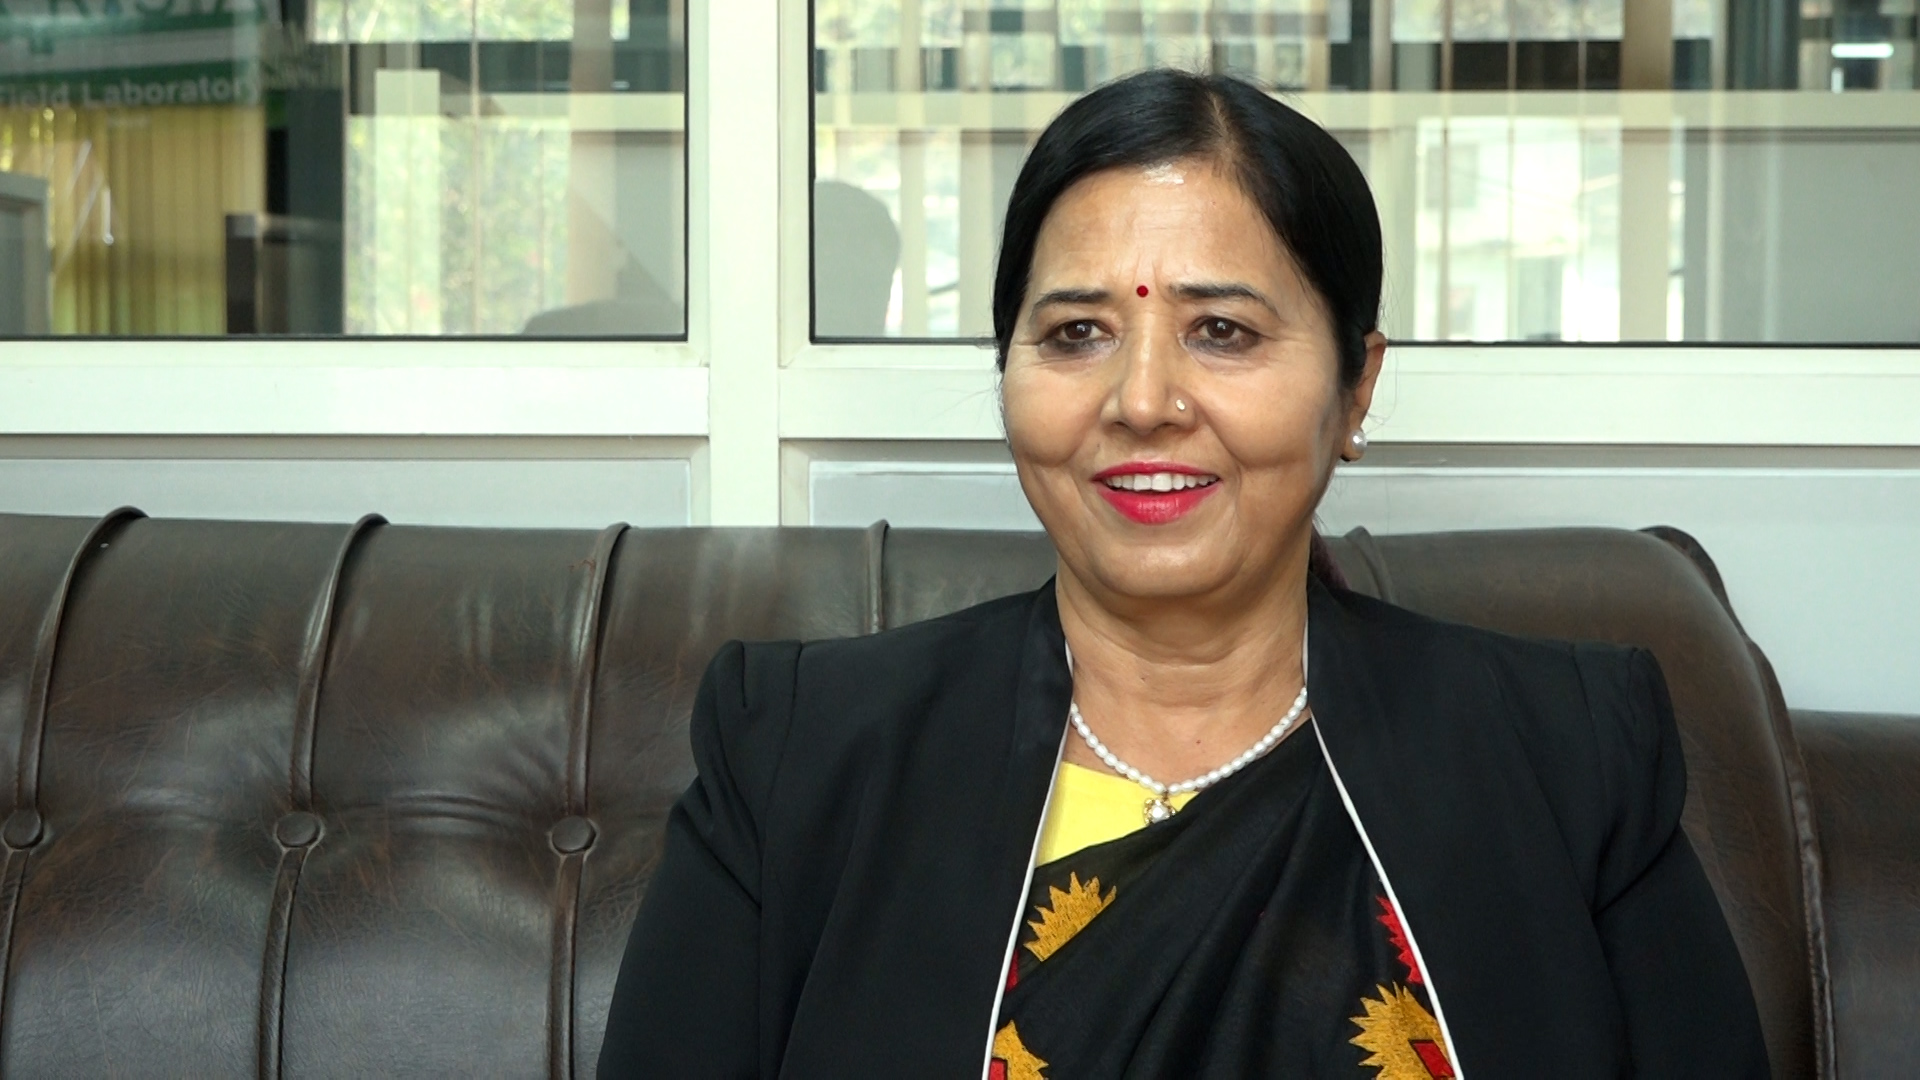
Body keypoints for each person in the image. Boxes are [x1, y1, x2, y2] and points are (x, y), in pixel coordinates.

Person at [597, 68, 1768, 1078]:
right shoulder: (801, 755)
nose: (1144, 401)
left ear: (1356, 387)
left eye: (1223, 332)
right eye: (1076, 334)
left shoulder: (1566, 754)